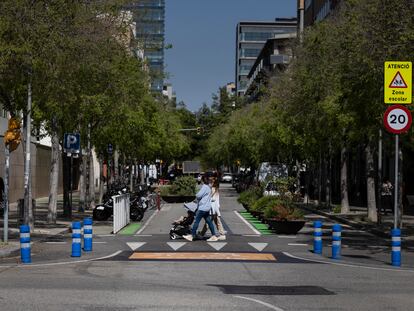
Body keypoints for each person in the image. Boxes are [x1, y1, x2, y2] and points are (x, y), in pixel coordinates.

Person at [183, 175, 218, 242]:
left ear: (203, 180)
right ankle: (214, 235)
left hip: (202, 208)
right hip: (207, 207)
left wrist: (197, 196)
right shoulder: (209, 187)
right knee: (209, 221)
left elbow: (198, 195)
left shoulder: (204, 187)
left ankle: (192, 235)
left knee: (197, 221)